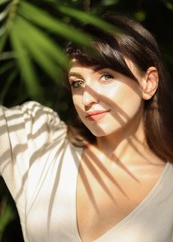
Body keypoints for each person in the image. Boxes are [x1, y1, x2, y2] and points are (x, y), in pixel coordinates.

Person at [0, 13, 173, 242]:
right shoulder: (39, 142)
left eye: (106, 76)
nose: (87, 99)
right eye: (77, 83)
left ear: (148, 83)